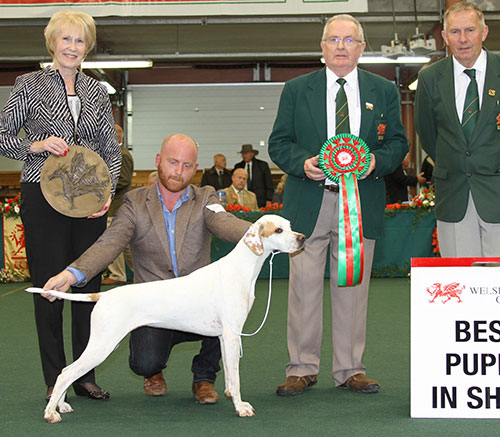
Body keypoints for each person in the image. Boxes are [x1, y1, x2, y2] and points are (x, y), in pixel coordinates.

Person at [42, 134, 250, 404]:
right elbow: (109, 243)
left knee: (227, 308)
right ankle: (152, 372)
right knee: (144, 361)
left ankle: (204, 377)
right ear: (158, 161)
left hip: (199, 305)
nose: (178, 171)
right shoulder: (135, 203)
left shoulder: (205, 198)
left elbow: (225, 223)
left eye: (187, 165)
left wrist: (262, 231)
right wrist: (70, 275)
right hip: (154, 308)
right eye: (173, 162)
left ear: (195, 169)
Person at [268, 14, 407, 396]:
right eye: (334, 39)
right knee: (303, 289)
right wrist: (303, 164)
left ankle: (350, 369)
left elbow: (398, 142)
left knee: (353, 287)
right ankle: (301, 368)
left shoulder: (384, 90)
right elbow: (279, 142)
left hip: (359, 205)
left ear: (362, 48)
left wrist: (377, 161)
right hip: (309, 202)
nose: (341, 46)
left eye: (350, 40)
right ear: (322, 47)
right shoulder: (297, 89)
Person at [0, 10, 121, 402]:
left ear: (88, 47)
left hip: (89, 201)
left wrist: (108, 193)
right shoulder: (28, 85)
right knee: (50, 289)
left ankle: (85, 375)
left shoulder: (98, 92)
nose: (72, 47)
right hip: (42, 195)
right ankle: (56, 377)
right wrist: (36, 145)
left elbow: (110, 148)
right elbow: (2, 137)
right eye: (65, 39)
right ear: (52, 43)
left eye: (80, 40)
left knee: (87, 287)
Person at [414, 2, 500, 257]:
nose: (463, 39)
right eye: (455, 32)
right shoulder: (429, 78)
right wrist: (455, 162)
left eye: (470, 30)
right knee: (461, 282)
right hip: (453, 195)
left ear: (484, 32)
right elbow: (428, 134)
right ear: (444, 37)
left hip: (497, 192)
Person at [102, 124, 134, 286]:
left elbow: (124, 181)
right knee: (125, 244)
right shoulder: (113, 154)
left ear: (118, 136)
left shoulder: (123, 155)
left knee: (114, 240)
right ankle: (137, 272)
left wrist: (103, 186)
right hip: (113, 205)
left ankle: (118, 274)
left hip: (117, 205)